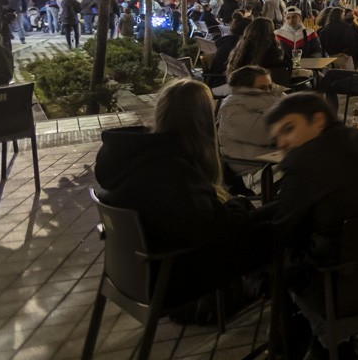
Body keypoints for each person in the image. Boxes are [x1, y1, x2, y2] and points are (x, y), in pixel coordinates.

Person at [264, 93, 358, 359]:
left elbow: (284, 232)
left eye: (289, 129)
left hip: (351, 290)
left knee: (279, 263)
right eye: (276, 138)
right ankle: (320, 342)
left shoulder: (304, 166)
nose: (282, 143)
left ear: (318, 120)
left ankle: (327, 343)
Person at [95, 80, 269, 307]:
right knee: (277, 229)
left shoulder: (137, 156)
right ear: (202, 119)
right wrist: (241, 204)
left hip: (135, 271)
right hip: (172, 278)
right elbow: (218, 230)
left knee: (269, 219)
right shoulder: (171, 171)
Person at [216, 65, 283, 186]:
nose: (268, 91)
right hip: (255, 169)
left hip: (273, 159)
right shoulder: (232, 108)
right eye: (262, 88)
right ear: (245, 87)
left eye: (270, 86)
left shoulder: (268, 98)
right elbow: (269, 134)